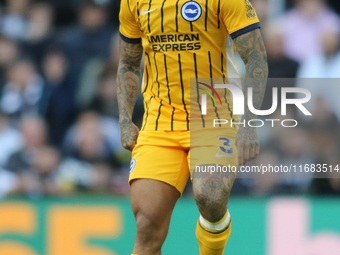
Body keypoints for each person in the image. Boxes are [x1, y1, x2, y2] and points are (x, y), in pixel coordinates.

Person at [117, 0, 268, 254]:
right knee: (147, 223)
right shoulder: (133, 2)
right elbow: (129, 62)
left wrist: (249, 124)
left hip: (214, 115)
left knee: (211, 197)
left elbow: (255, 56)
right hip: (159, 122)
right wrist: (124, 119)